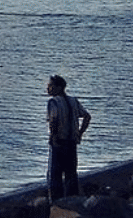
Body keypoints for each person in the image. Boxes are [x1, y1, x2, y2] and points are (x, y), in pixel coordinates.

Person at [46, 74, 91, 202]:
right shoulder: (73, 100)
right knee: (71, 174)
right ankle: (73, 201)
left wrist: (53, 137)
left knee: (55, 175)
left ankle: (55, 202)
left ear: (59, 88)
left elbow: (53, 120)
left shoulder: (53, 102)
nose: (48, 89)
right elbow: (87, 116)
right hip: (72, 142)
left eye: (50, 86)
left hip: (59, 142)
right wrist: (80, 133)